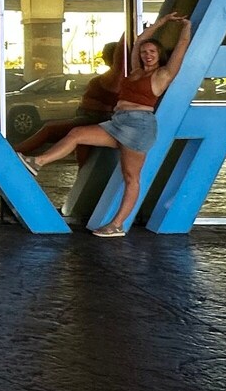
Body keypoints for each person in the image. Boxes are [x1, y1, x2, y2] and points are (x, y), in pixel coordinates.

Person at [24, 13, 192, 237]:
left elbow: (182, 46)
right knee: (77, 133)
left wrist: (185, 26)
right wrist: (160, 23)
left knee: (131, 177)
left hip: (138, 126)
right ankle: (37, 162)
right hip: (118, 122)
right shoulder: (136, 71)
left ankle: (117, 225)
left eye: (152, 52)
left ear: (159, 54)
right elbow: (139, 42)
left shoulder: (163, 74)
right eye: (145, 52)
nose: (147, 55)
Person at [15, 40, 122, 160]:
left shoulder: (115, 77)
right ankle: (19, 152)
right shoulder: (111, 76)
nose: (102, 56)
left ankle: (16, 152)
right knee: (78, 145)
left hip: (94, 118)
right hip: (88, 117)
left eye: (105, 53)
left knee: (51, 129)